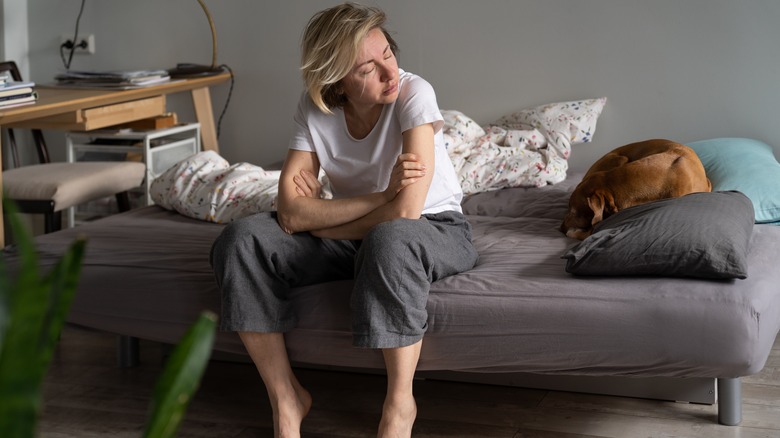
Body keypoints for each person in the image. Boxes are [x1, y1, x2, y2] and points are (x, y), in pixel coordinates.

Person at [210, 3, 478, 437]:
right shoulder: (315, 107)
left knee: (391, 239)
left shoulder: (414, 94)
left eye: (388, 54)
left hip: (433, 227)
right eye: (368, 69)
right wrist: (379, 195)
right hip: (360, 229)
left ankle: (399, 405)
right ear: (335, 79)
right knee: (242, 239)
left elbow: (406, 211)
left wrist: (318, 223)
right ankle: (286, 400)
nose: (390, 73)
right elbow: (291, 213)